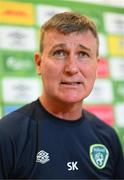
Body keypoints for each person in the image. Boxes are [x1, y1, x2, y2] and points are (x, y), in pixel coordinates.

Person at [0, 12, 123, 179]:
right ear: (39, 63)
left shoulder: (108, 137)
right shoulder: (7, 135)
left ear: (96, 65)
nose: (72, 68)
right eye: (59, 53)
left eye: (83, 54)